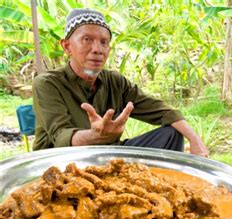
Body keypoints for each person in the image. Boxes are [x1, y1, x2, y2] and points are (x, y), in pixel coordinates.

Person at [32, 8, 209, 157]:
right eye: (87, 40)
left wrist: (196, 141)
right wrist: (96, 135)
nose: (97, 49)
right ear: (67, 46)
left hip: (108, 156)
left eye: (104, 42)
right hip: (61, 162)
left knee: (171, 134)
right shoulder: (47, 84)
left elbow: (161, 111)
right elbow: (60, 136)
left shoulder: (115, 82)